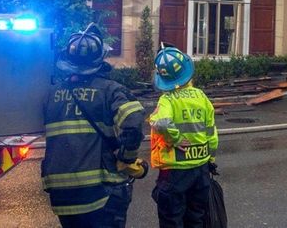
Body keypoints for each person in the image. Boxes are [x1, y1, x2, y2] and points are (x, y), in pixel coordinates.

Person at [42, 23, 146, 227]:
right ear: (99, 60)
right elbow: (133, 120)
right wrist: (126, 158)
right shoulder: (110, 90)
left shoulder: (50, 94)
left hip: (62, 196)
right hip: (101, 193)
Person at [150, 46, 219, 227]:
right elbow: (211, 133)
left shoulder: (168, 99)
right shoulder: (201, 96)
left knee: (172, 219)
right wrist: (210, 158)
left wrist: (175, 139)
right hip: (201, 169)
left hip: (175, 172)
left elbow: (160, 123)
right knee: (196, 218)